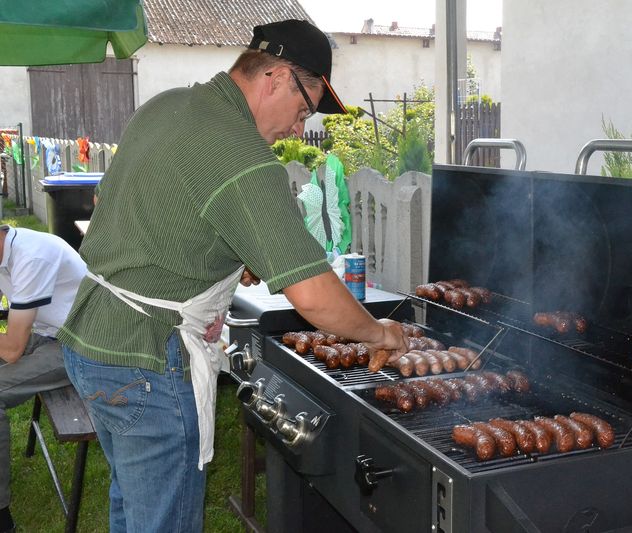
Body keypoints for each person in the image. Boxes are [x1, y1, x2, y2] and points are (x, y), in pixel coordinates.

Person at [57, 19, 409, 532]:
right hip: (146, 361)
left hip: (91, 342)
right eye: (304, 109)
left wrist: (221, 247)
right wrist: (381, 332)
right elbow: (312, 295)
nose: (298, 129)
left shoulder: (168, 104)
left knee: (134, 506)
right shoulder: (243, 156)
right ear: (277, 78)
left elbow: (115, 203)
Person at [0, 225, 87, 533]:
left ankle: (1, 516)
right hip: (45, 333)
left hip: (78, 346)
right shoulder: (6, 251)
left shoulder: (31, 256)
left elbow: (11, 350)